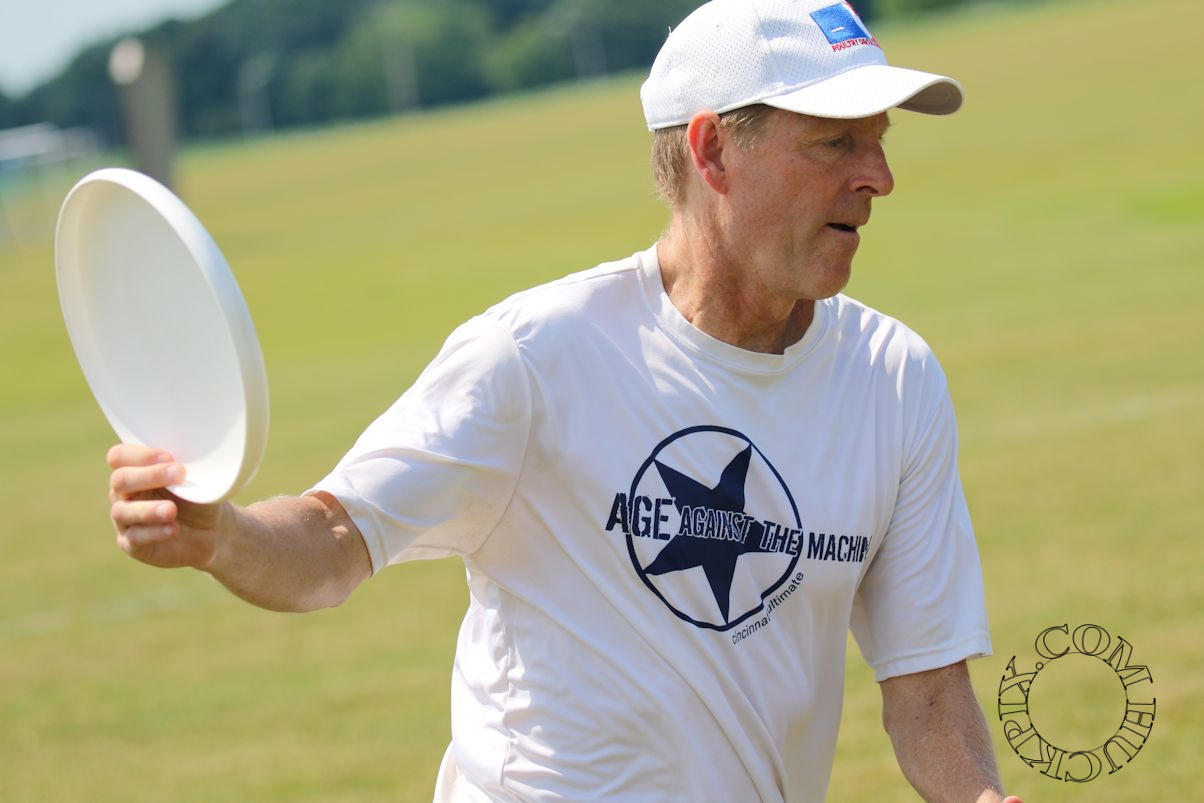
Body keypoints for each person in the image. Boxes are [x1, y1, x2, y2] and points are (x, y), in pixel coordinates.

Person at [106, 1, 1023, 801]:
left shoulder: (894, 379)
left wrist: (979, 794)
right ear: (713, 151)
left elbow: (928, 693)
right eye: (835, 142)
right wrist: (221, 534)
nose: (878, 176)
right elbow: (333, 541)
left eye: (879, 139)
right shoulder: (533, 358)